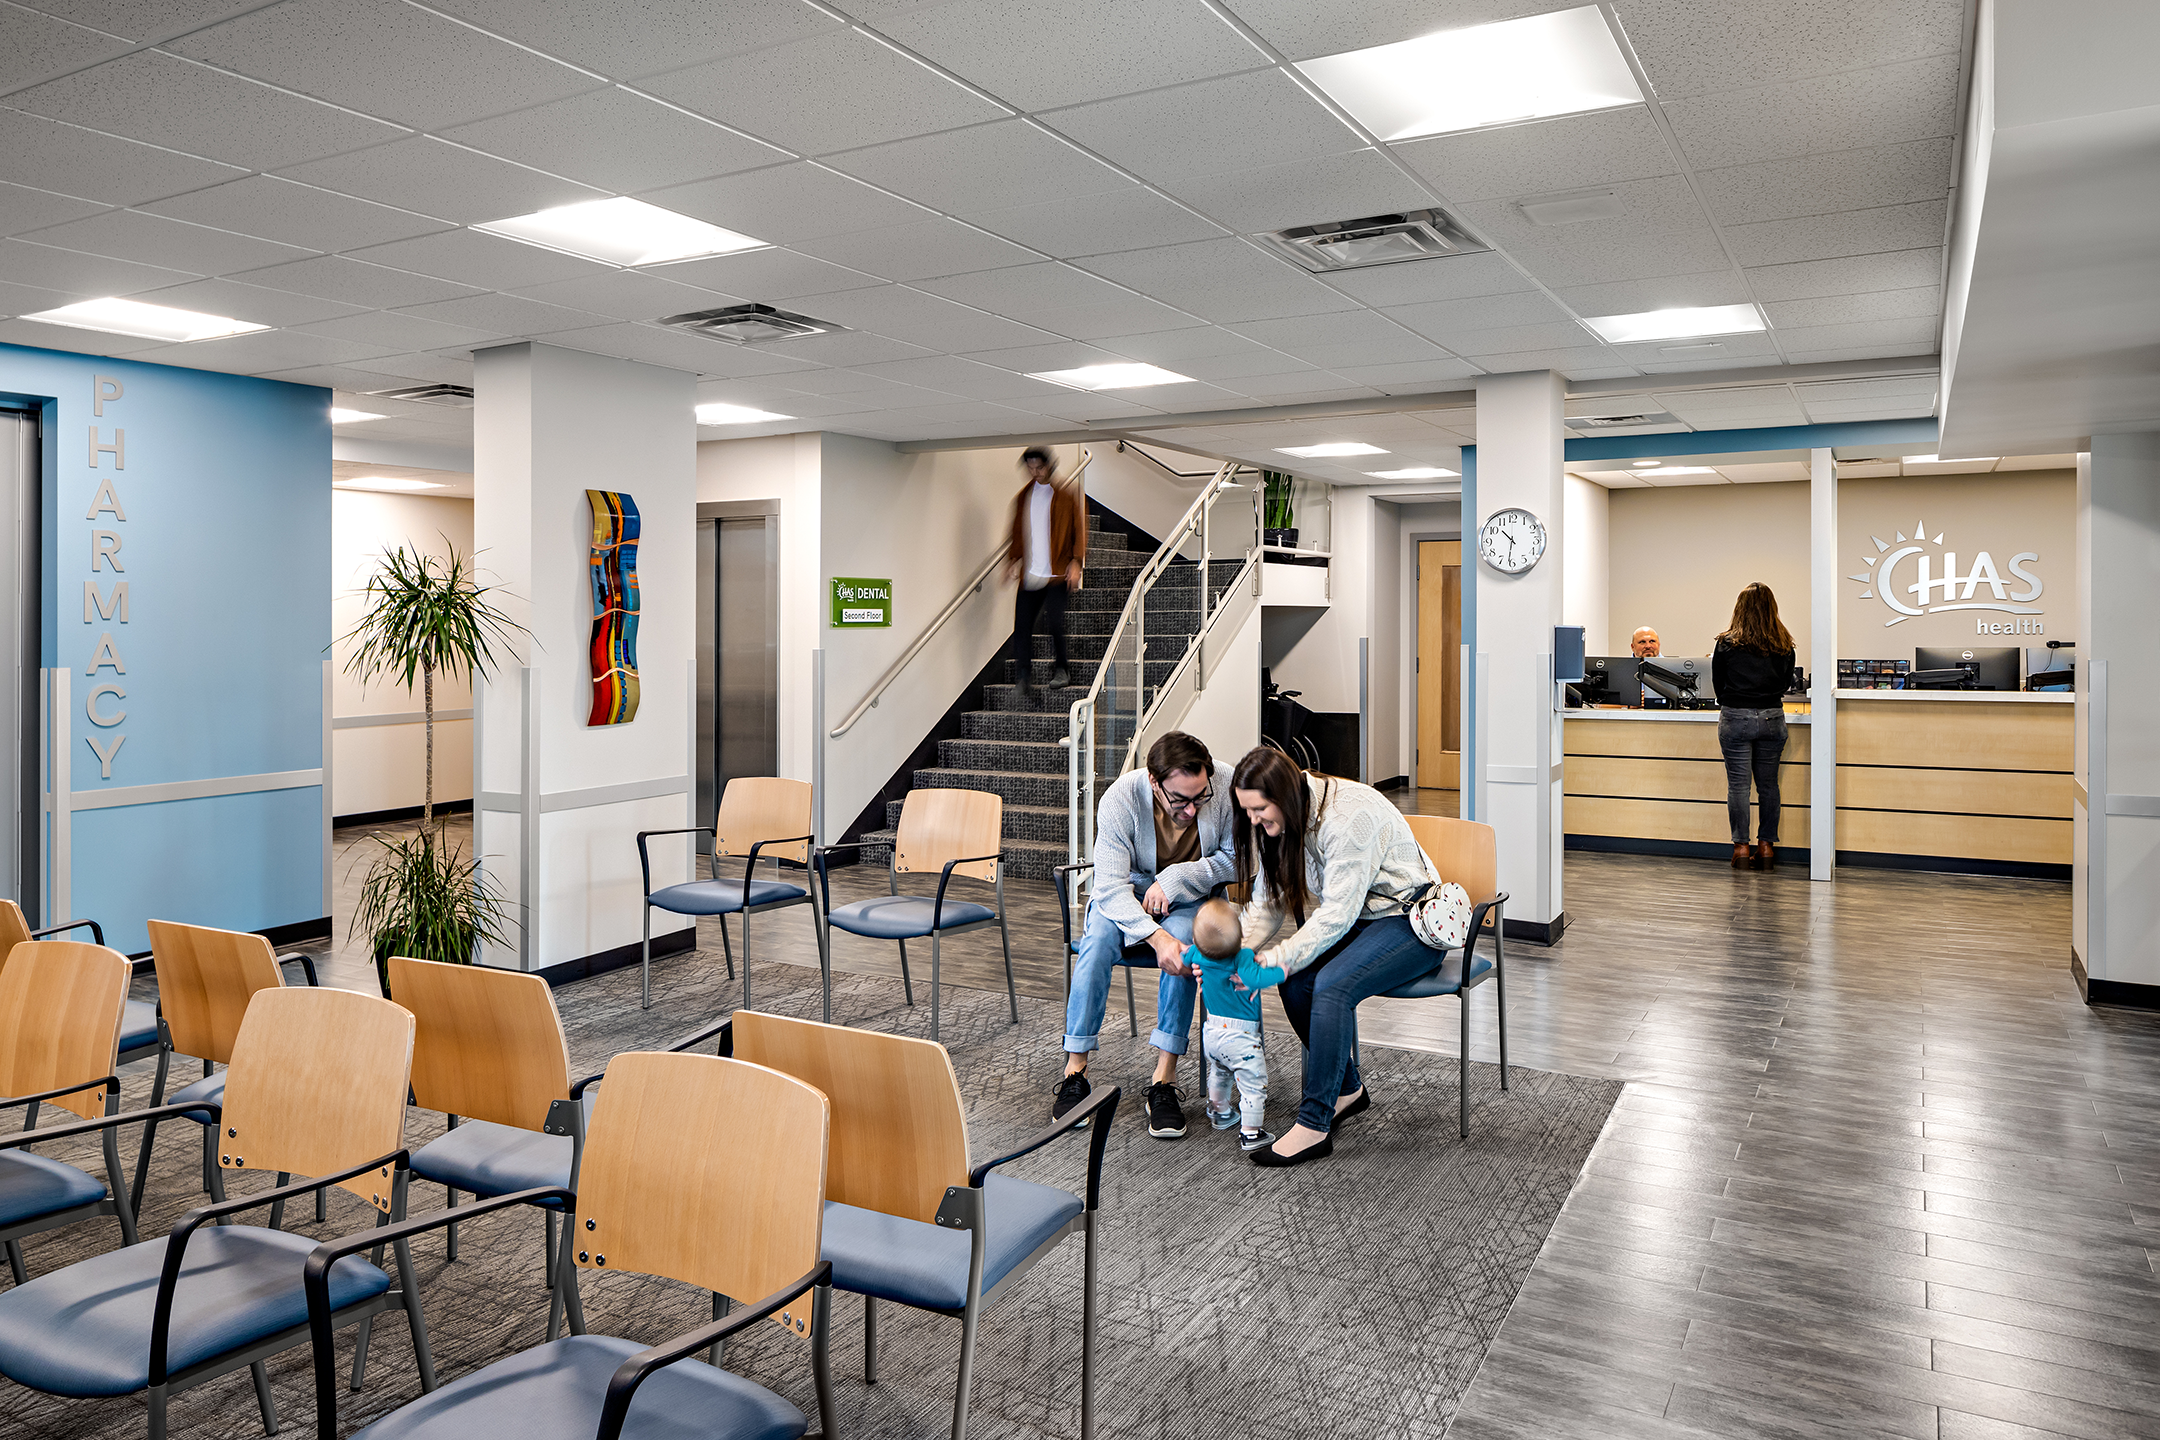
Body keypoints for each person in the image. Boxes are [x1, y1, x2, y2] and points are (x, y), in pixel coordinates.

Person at [1229, 747, 1440, 1168]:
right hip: (1362, 919)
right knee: (1296, 981)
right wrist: (1239, 953)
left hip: (1409, 920)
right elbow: (1270, 901)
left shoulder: (1349, 817)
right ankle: (1347, 1089)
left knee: (1331, 986)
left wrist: (1276, 958)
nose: (1253, 820)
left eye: (1259, 809)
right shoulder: (1287, 821)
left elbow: (1336, 915)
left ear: (1285, 796)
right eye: (1246, 810)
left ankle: (1314, 1124)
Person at [1053, 731, 1237, 1140]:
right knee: (1098, 944)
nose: (1190, 810)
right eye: (1179, 800)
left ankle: (1164, 1080)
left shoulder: (1224, 783)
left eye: (1199, 798)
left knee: (1184, 946)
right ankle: (1074, 1071)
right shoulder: (1120, 798)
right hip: (1126, 896)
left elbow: (1236, 860)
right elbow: (1110, 887)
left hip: (1189, 899)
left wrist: (1175, 878)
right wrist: (1155, 938)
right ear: (1154, 782)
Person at [1186, 898, 1286, 1152]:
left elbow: (1185, 957)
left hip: (1212, 1031)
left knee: (1220, 1071)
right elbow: (1255, 977)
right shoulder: (1242, 956)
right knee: (1253, 1083)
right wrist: (1282, 972)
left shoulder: (1196, 953)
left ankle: (1220, 1113)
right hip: (1241, 1037)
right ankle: (1251, 1133)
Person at [1711, 582, 1797, 870]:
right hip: (1773, 717)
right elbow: (1786, 684)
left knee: (1738, 786)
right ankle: (1766, 846)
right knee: (1769, 786)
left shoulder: (1726, 643)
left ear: (1739, 609)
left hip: (1736, 716)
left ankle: (1740, 847)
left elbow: (1718, 686)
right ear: (1772, 608)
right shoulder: (1784, 644)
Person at [1002, 446, 1085, 700]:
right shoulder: (1022, 497)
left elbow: (1078, 530)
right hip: (1031, 575)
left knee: (1056, 622)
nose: (1035, 473)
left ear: (1049, 466)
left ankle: (1062, 668)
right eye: (1030, 468)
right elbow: (1017, 532)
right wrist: (1013, 560)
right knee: (1023, 626)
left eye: (1039, 467)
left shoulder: (1065, 496)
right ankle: (1023, 677)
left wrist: (1076, 561)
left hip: (1057, 573)